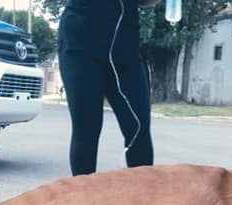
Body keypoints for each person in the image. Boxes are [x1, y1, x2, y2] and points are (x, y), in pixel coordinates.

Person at [57, 0, 158, 176]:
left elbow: (145, 2)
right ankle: (85, 200)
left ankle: (144, 200)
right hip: (81, 44)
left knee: (138, 128)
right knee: (87, 129)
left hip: (125, 47)